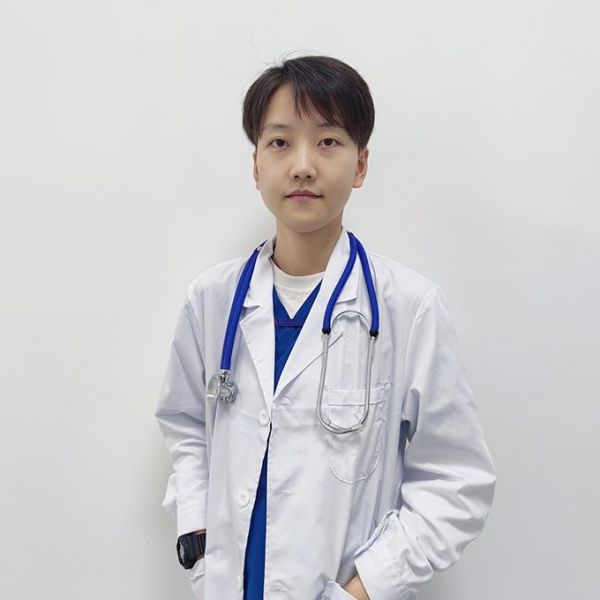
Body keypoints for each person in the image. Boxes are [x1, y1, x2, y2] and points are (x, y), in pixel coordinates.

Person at [155, 54, 496, 600]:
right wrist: (197, 537)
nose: (302, 166)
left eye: (328, 141)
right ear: (256, 165)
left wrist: (365, 589)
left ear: (361, 165)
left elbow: (456, 482)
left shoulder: (409, 309)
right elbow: (186, 424)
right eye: (280, 142)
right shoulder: (212, 301)